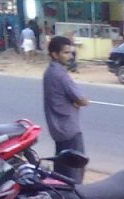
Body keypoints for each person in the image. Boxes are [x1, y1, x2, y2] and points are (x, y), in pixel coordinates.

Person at [43, 36, 89, 183]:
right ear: (55, 54)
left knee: (61, 173)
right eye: (66, 53)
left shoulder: (49, 72)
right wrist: (76, 103)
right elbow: (82, 100)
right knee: (74, 174)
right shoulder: (61, 76)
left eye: (70, 53)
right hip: (69, 130)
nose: (70, 56)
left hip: (58, 130)